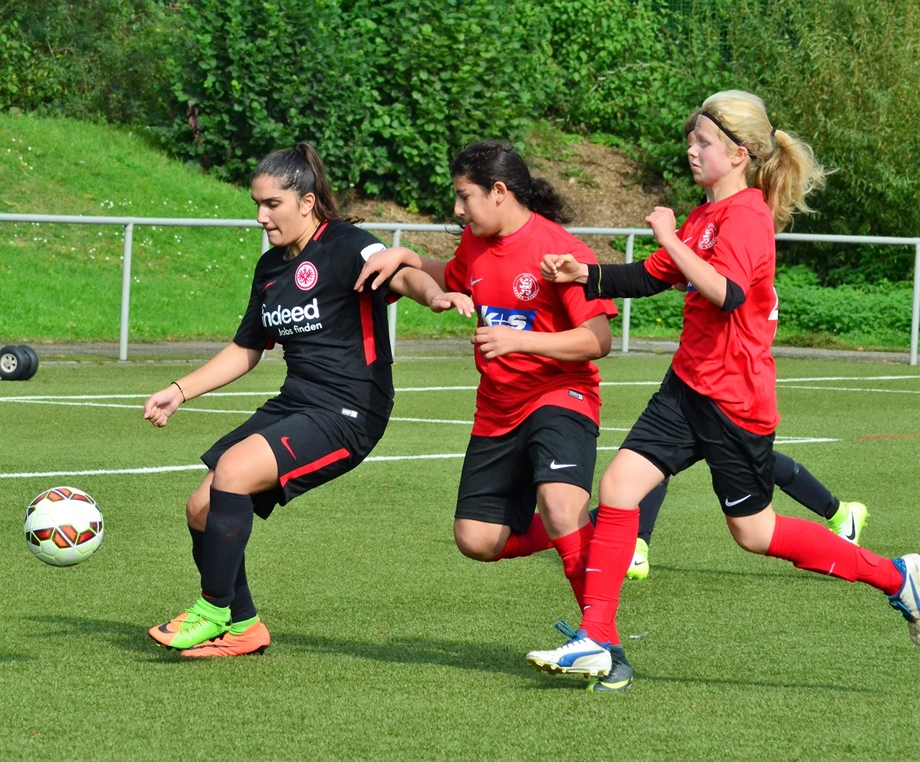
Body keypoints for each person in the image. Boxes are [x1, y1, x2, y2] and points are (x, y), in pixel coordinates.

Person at [527, 90, 920, 691]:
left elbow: (726, 292)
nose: (692, 150)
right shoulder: (703, 217)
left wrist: (669, 236)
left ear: (739, 154)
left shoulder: (748, 217)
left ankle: (899, 578)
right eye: (691, 140)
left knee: (754, 533)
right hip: (685, 388)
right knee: (618, 487)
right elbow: (652, 275)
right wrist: (585, 273)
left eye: (704, 142)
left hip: (734, 401)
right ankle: (598, 639)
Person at [143, 143, 473, 657]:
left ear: (307, 201)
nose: (261, 216)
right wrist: (179, 390)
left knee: (233, 470)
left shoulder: (344, 243)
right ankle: (244, 627)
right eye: (257, 204)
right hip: (297, 402)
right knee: (202, 508)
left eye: (272, 204)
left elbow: (399, 273)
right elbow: (246, 349)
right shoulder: (270, 268)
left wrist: (434, 295)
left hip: (350, 410)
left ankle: (212, 610)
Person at [355, 140, 618, 617]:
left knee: (558, 505)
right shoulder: (476, 243)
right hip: (498, 407)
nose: (458, 210)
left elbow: (597, 339)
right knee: (476, 539)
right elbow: (454, 277)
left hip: (560, 394)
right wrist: (408, 258)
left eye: (464, 196)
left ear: (498, 191)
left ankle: (600, 637)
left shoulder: (560, 250)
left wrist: (522, 341)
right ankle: (591, 525)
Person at [626, 456, 869, 580]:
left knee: (743, 457)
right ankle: (637, 546)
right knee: (661, 452)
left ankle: (841, 514)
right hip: (695, 381)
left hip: (730, 383)